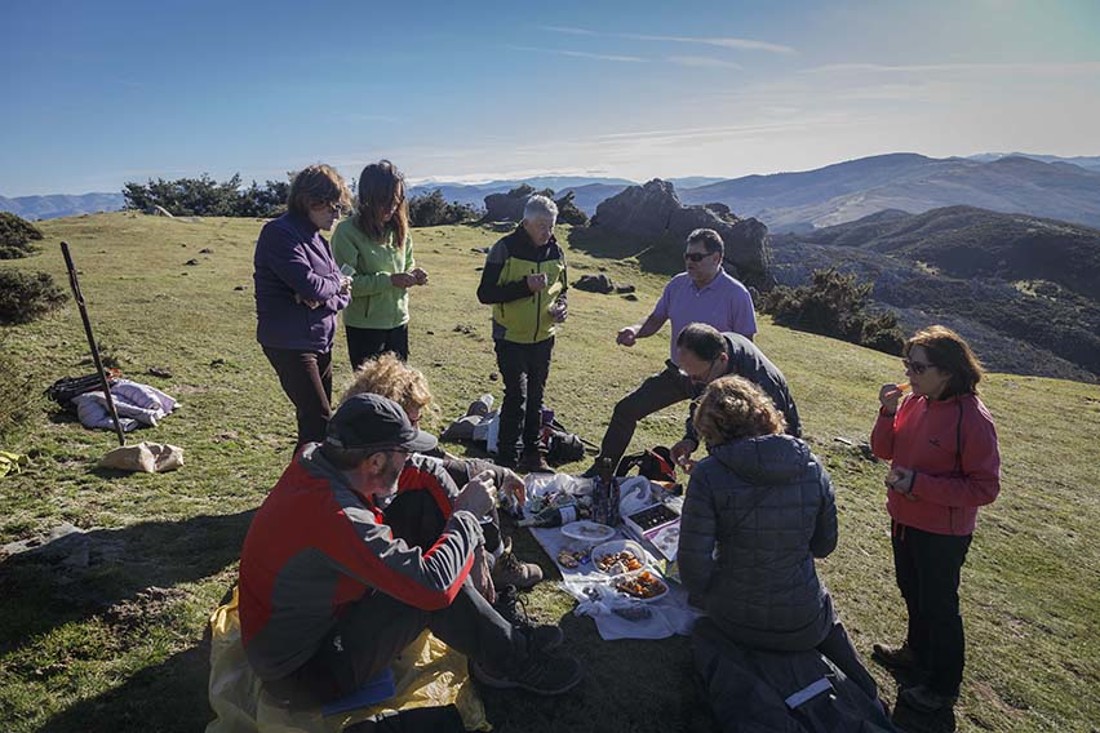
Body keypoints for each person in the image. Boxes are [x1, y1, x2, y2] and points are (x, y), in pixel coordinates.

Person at [237, 393, 583, 709]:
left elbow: (424, 469)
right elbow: (432, 587)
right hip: (302, 673)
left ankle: (499, 633)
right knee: (421, 590)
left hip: (325, 614)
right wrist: (466, 517)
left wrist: (473, 545)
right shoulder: (336, 515)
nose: (409, 458)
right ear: (374, 461)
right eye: (402, 451)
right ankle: (509, 659)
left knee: (421, 507)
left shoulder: (327, 461)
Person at [678, 375, 880, 702]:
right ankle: (867, 693)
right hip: (805, 621)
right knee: (825, 609)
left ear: (711, 430)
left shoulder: (708, 474)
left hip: (735, 620)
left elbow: (693, 568)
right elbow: (824, 545)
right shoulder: (811, 465)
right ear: (764, 414)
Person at [870, 325, 1001, 713]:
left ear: (947, 371)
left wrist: (919, 484)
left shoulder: (973, 420)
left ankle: (942, 687)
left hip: (942, 533)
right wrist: (886, 412)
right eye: (906, 364)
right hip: (904, 519)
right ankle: (915, 653)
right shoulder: (913, 402)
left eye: (918, 367)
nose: (908, 374)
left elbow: (984, 489)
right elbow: (883, 450)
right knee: (912, 591)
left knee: (940, 607)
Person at [341, 353, 544, 590]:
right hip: (380, 583)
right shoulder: (353, 494)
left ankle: (496, 565)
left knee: (476, 480)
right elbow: (427, 579)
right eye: (409, 424)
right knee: (433, 506)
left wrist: (498, 474)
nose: (414, 433)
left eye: (417, 422)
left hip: (401, 569)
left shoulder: (390, 454)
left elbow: (437, 462)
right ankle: (490, 571)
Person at [587, 229, 757, 472]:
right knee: (626, 410)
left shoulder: (736, 295)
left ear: (716, 258)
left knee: (717, 441)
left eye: (697, 257)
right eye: (687, 256)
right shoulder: (677, 285)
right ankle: (602, 470)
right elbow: (657, 318)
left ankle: (714, 492)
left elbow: (745, 346)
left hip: (716, 383)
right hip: (678, 374)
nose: (690, 262)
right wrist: (635, 331)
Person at [254, 164, 353, 451]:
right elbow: (313, 286)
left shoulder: (319, 242)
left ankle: (307, 488)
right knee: (318, 421)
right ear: (311, 201)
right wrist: (331, 284)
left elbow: (339, 296)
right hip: (290, 342)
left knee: (315, 423)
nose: (337, 214)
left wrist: (324, 291)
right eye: (334, 207)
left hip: (321, 340)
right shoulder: (279, 233)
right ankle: (309, 490)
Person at [476, 195, 568, 473]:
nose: (547, 232)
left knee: (537, 396)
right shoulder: (504, 249)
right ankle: (506, 460)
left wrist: (561, 309)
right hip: (510, 336)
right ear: (525, 222)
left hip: (544, 336)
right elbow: (485, 293)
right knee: (517, 395)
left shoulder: (556, 251)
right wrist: (524, 287)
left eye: (551, 226)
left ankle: (532, 453)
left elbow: (563, 290)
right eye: (541, 225)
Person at [332, 160, 427, 367]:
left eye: (397, 200)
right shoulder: (347, 232)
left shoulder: (400, 230)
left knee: (398, 387)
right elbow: (346, 285)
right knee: (369, 390)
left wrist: (414, 274)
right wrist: (390, 281)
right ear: (368, 198)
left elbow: (407, 264)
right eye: (385, 201)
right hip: (365, 326)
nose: (392, 207)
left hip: (399, 320)